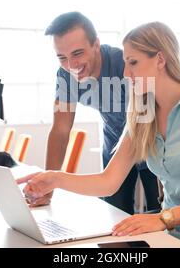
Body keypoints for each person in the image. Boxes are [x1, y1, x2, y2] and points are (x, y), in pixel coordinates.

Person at [17, 21, 180, 246]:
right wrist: (54, 179)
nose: (125, 73)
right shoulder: (142, 114)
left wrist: (165, 218)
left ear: (160, 60)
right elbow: (108, 181)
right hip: (168, 236)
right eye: (125, 63)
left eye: (133, 62)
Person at [34, 12, 161, 215]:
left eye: (77, 53)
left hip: (150, 143)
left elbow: (148, 117)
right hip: (114, 148)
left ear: (96, 45)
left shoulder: (125, 65)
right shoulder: (65, 76)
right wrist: (47, 186)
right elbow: (60, 130)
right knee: (115, 217)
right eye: (62, 57)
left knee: (159, 214)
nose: (72, 65)